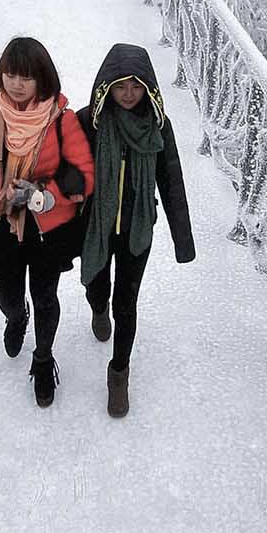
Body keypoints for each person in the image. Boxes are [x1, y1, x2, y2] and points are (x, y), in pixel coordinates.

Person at [0, 36, 95, 407]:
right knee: (8, 296)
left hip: (46, 228)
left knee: (45, 298)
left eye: (26, 77)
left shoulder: (61, 120)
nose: (17, 84)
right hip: (1, 226)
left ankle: (43, 359)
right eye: (10, 75)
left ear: (42, 79)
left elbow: (84, 175)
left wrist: (40, 196)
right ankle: (15, 318)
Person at [75, 43, 195, 418]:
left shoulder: (158, 128)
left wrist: (183, 240)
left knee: (126, 302)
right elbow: (66, 167)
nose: (128, 94)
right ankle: (98, 309)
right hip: (94, 224)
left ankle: (119, 374)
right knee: (96, 284)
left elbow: (171, 180)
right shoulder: (88, 121)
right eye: (120, 85)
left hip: (137, 230)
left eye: (137, 86)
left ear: (149, 88)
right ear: (105, 86)